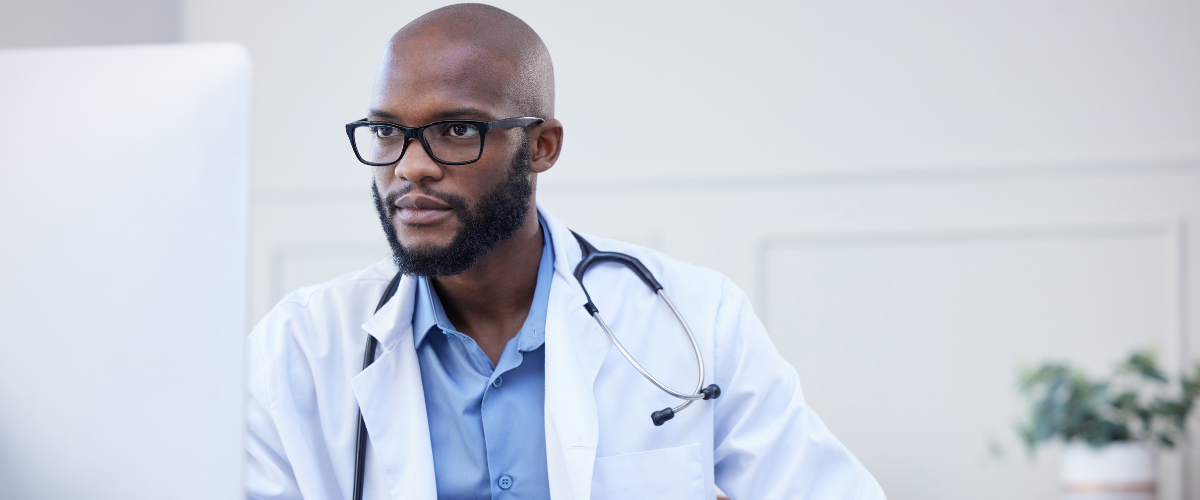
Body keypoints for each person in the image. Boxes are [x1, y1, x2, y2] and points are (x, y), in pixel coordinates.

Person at [245, 4, 885, 499]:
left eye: (457, 130)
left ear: (542, 146)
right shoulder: (299, 348)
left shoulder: (695, 318)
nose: (411, 168)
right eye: (388, 132)